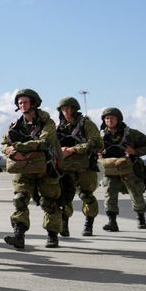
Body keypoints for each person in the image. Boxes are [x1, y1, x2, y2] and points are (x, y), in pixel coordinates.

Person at [1, 89, 62, 249]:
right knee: (19, 200)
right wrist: (10, 151)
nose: (22, 105)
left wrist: (19, 147)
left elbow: (45, 142)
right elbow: (4, 144)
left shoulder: (47, 123)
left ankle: (52, 234)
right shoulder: (15, 125)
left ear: (34, 103)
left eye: (25, 102)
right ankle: (18, 235)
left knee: (48, 202)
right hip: (23, 170)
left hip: (45, 168)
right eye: (20, 103)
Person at [98, 107, 146, 231]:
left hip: (130, 168)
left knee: (136, 193)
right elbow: (91, 148)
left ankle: (141, 218)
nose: (109, 120)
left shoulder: (131, 134)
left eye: (112, 118)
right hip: (110, 169)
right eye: (107, 118)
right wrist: (97, 154)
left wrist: (135, 151)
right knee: (109, 194)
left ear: (119, 119)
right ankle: (112, 222)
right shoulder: (100, 135)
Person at [55, 97, 103, 236]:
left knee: (86, 195)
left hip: (84, 168)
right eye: (63, 109)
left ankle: (89, 223)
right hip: (65, 168)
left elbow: (97, 143)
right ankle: (64, 224)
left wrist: (74, 149)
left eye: (68, 108)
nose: (65, 111)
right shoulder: (59, 128)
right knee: (64, 196)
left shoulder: (86, 124)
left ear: (75, 109)